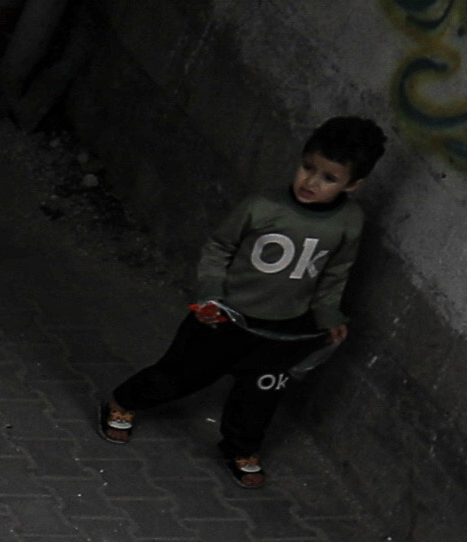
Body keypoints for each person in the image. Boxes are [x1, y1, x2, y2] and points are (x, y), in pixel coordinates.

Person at [102, 117, 392, 482]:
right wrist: (210, 295)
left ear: (353, 185)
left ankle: (240, 447)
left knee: (261, 396)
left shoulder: (350, 221)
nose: (311, 182)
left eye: (328, 178)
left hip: (283, 328)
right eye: (307, 168)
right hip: (225, 317)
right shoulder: (261, 206)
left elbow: (336, 272)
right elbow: (219, 248)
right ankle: (123, 402)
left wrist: (329, 314)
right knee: (177, 376)